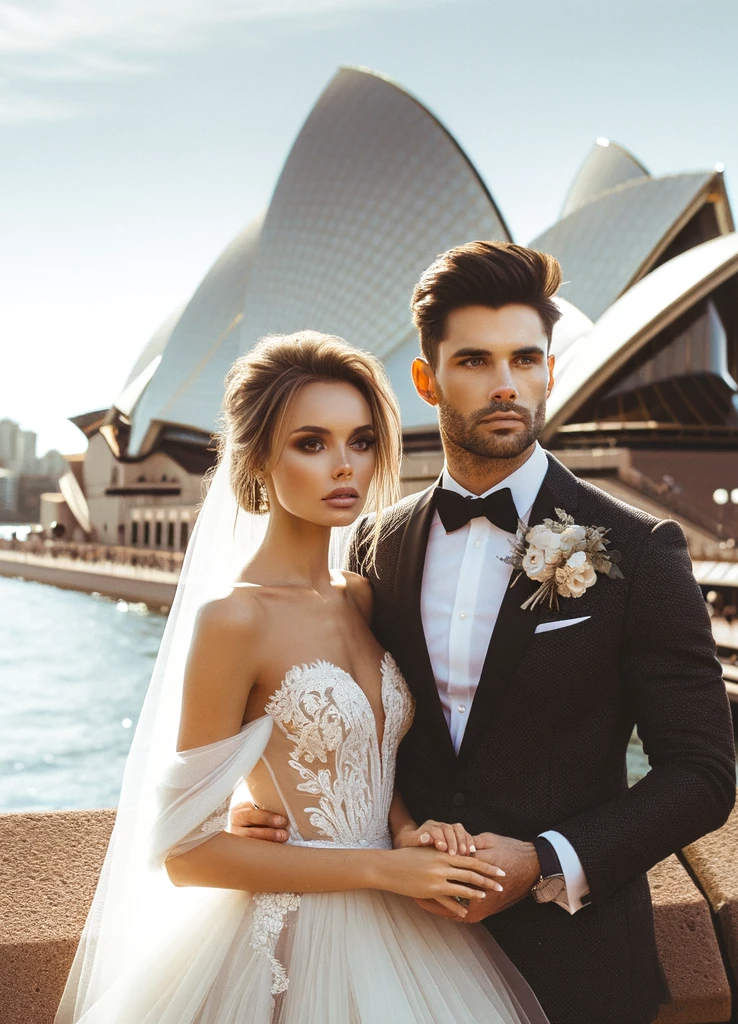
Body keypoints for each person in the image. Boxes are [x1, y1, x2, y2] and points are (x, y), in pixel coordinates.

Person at [234, 242, 736, 1024]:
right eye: (474, 360)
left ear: (550, 372)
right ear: (428, 379)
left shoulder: (640, 551)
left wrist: (544, 860)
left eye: (525, 359)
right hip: (394, 955)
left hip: (579, 968)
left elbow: (703, 775)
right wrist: (264, 804)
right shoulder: (374, 547)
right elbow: (335, 720)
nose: (506, 384)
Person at [56, 333, 547, 1024]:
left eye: (362, 441)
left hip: (407, 928)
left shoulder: (360, 595)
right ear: (258, 457)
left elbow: (369, 760)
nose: (344, 466)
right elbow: (188, 853)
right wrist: (381, 867)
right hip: (293, 946)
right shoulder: (235, 617)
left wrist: (404, 831)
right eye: (311, 443)